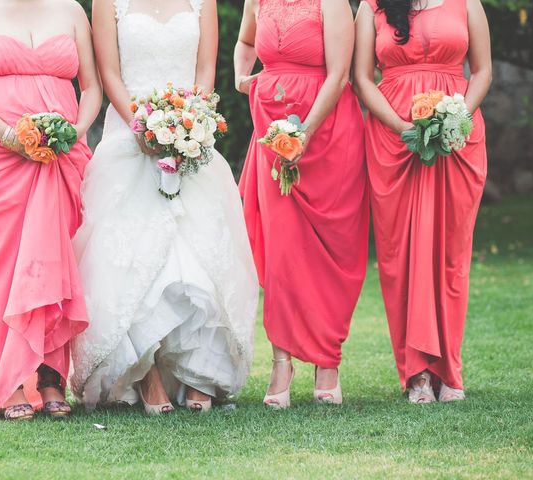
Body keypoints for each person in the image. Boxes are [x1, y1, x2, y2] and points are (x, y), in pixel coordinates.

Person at [69, 0, 259, 415]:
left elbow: (205, 70)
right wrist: (142, 125)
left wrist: (192, 120)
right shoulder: (109, 3)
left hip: (189, 137)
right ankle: (147, 375)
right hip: (130, 134)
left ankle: (198, 373)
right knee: (135, 257)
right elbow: (110, 73)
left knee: (195, 255)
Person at [0, 0, 102, 419]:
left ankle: (50, 378)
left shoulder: (71, 10)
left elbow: (91, 88)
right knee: (4, 266)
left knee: (52, 259)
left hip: (59, 158)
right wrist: (9, 135)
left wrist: (74, 132)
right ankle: (9, 382)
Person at [353, 0, 491, 402]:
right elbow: (362, 78)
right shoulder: (371, 6)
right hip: (394, 140)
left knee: (451, 254)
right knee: (400, 257)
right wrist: (404, 129)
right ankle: (416, 374)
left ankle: (449, 370)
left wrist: (457, 118)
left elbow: (482, 71)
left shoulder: (467, 3)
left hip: (456, 138)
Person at [235, 0, 369, 408]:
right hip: (272, 132)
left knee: (333, 250)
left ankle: (327, 361)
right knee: (282, 252)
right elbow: (244, 42)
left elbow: (340, 74)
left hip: (327, 134)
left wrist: (305, 132)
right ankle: (281, 362)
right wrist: (244, 78)